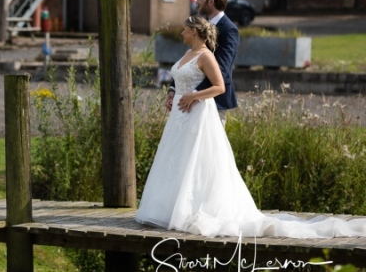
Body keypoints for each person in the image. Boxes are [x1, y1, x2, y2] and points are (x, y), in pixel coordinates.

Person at [136, 16, 366, 237]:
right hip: (178, 116)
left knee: (194, 159)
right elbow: (178, 78)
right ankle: (166, 209)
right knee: (175, 158)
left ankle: (189, 210)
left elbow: (219, 87)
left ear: (194, 32)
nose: (181, 33)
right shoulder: (187, 53)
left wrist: (194, 96)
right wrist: (172, 92)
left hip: (196, 115)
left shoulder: (206, 56)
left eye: (185, 29)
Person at [166, 0, 239, 126]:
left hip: (214, 102)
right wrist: (174, 89)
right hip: (187, 101)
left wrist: (193, 94)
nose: (197, 1)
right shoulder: (201, 27)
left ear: (211, 1)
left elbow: (221, 69)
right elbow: (189, 62)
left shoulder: (229, 30)